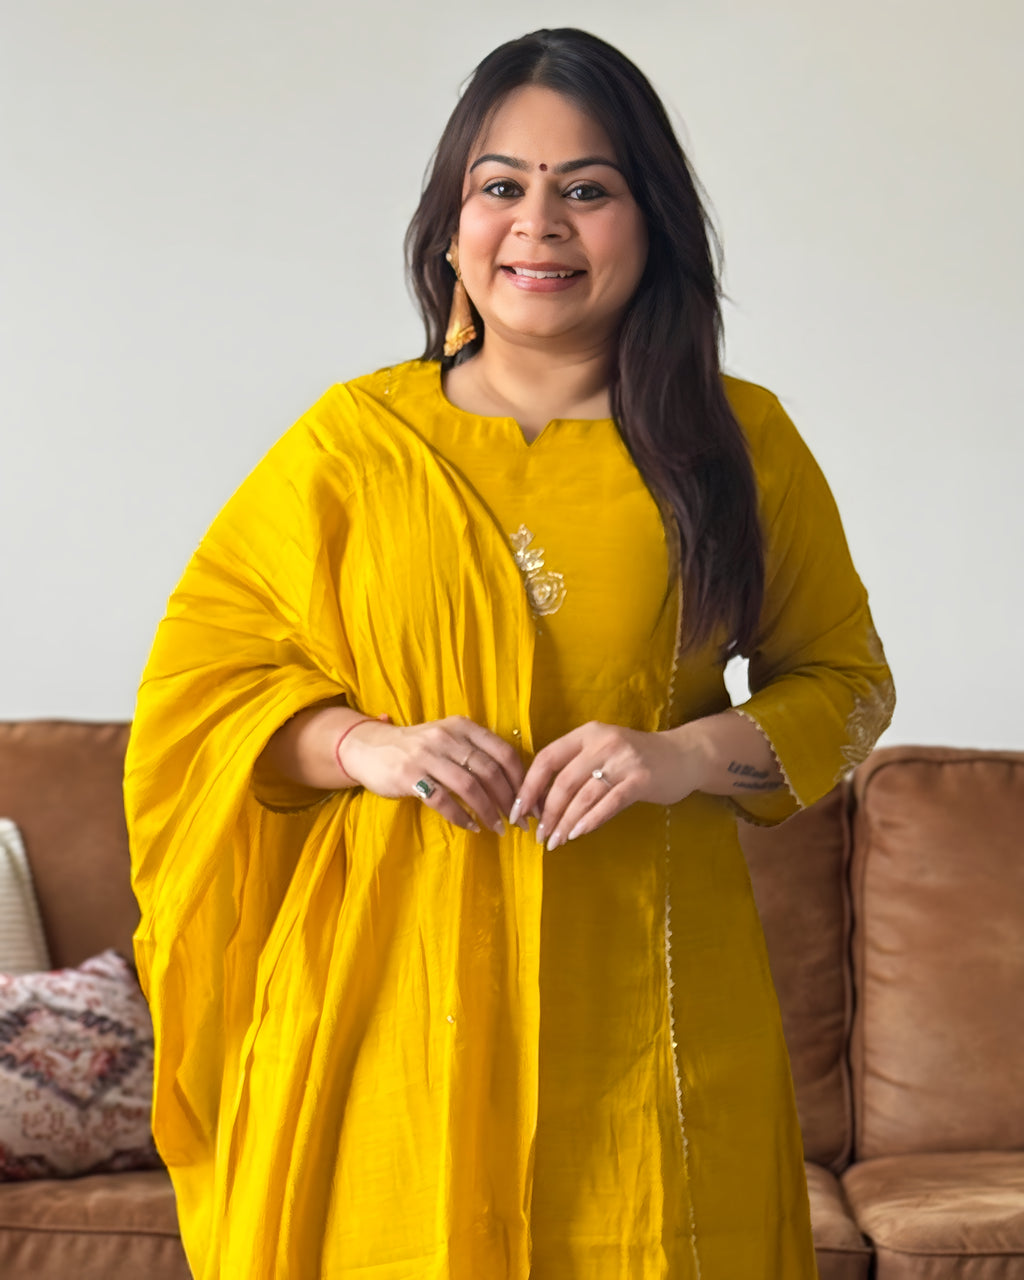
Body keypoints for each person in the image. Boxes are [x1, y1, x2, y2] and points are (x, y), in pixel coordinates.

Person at [125, 26, 894, 1280]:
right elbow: (202, 690)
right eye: (502, 186)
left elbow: (849, 686)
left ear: (651, 226)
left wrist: (680, 752)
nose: (539, 225)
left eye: (587, 188)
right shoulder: (352, 444)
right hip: (391, 994)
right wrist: (370, 743)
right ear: (450, 226)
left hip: (650, 1002)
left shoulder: (736, 442)